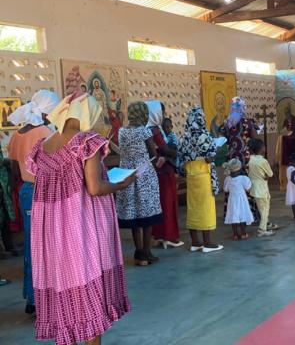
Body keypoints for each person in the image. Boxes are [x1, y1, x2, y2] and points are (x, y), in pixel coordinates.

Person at [27, 93, 133, 345]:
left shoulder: (42, 147)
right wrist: (123, 182)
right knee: (89, 292)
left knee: (65, 289)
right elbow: (95, 188)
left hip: (50, 232)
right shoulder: (86, 141)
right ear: (90, 116)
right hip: (80, 227)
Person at [7, 89, 59, 315]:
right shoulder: (45, 132)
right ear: (47, 110)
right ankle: (44, 298)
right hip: (44, 191)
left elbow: (13, 167)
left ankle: (32, 298)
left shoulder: (18, 134)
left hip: (25, 191)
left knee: (31, 244)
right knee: (46, 246)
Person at [117, 101, 163, 266]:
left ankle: (138, 252)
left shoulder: (122, 131)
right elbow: (153, 154)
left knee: (135, 215)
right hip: (144, 175)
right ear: (144, 115)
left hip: (128, 175)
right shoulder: (144, 131)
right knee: (147, 215)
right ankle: (147, 252)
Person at [178, 108, 223, 253]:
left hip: (191, 176)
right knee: (206, 208)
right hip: (203, 174)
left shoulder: (184, 137)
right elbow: (209, 157)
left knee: (193, 208)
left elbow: (180, 157)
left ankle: (195, 242)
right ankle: (208, 243)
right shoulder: (204, 135)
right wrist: (217, 147)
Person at [146, 100, 183, 249]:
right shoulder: (154, 130)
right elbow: (166, 149)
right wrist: (178, 152)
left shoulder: (150, 129)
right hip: (164, 172)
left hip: (156, 171)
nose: (164, 114)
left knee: (160, 203)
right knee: (168, 203)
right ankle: (169, 236)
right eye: (161, 112)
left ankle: (160, 235)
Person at [248, 139, 278, 237]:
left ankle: (266, 223)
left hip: (254, 187)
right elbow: (270, 174)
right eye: (264, 146)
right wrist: (266, 176)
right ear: (261, 149)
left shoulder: (250, 159)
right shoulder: (263, 161)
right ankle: (262, 228)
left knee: (261, 207)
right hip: (262, 187)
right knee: (265, 208)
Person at [223, 158, 254, 240]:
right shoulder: (243, 178)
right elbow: (248, 187)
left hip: (232, 200)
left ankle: (235, 235)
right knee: (242, 215)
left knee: (234, 216)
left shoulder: (227, 179)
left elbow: (226, 189)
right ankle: (243, 233)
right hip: (242, 200)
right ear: (239, 168)